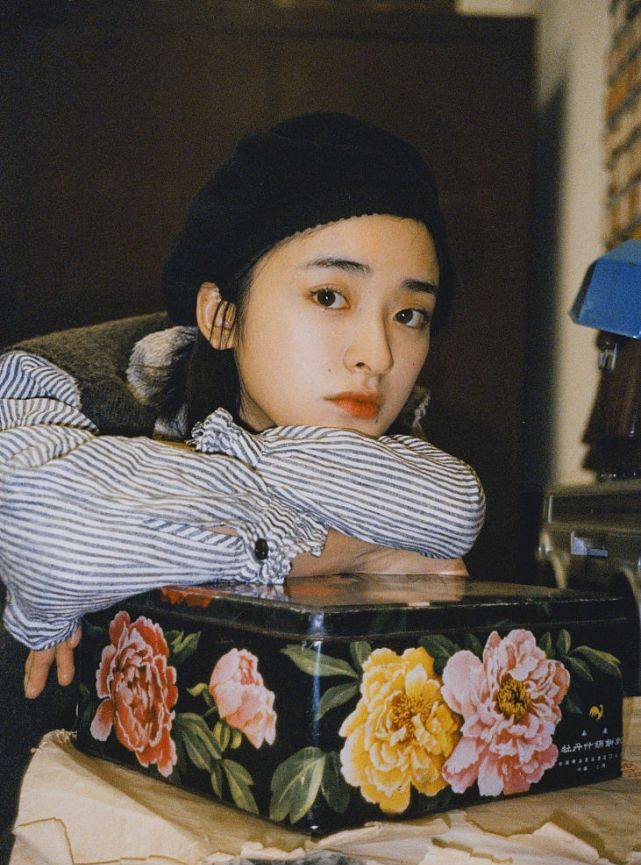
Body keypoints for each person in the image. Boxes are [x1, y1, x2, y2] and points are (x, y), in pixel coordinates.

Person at [0, 112, 485, 702]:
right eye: (329, 296)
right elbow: (52, 537)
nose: (378, 355)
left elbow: (454, 509)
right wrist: (356, 549)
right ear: (221, 317)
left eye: (409, 315)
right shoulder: (50, 383)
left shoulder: (403, 436)